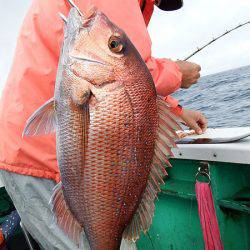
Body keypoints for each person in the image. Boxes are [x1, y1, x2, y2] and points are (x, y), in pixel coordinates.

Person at [0, 0, 207, 249]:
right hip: (41, 158)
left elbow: (127, 84)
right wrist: (177, 73)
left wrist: (176, 109)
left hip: (41, 149)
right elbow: (120, 70)